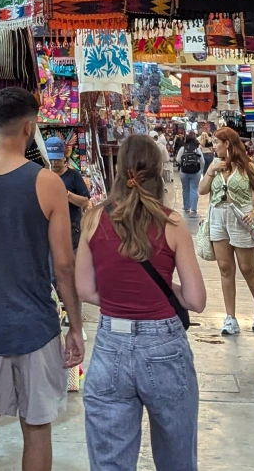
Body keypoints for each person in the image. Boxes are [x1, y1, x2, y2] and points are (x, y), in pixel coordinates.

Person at [0, 87, 85, 471]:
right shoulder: (47, 183)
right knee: (37, 425)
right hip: (35, 327)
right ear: (30, 127)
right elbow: (63, 265)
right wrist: (74, 326)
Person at [76, 134, 206, 471]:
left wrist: (121, 297)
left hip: (109, 347)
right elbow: (196, 300)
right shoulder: (172, 222)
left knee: (110, 461)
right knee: (176, 457)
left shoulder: (92, 218)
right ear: (159, 171)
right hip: (164, 347)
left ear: (118, 170)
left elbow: (84, 289)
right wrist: (167, 289)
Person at [199, 126, 254, 334]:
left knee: (247, 268)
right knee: (225, 267)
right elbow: (202, 190)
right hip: (218, 217)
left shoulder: (248, 166)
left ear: (227, 144)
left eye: (216, 143)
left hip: (241, 218)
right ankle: (230, 317)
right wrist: (211, 172)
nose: (214, 146)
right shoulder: (215, 165)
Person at [45, 135, 91, 249]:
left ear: (64, 157)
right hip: (49, 231)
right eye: (52, 159)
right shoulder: (43, 176)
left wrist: (66, 194)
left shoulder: (73, 176)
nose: (54, 162)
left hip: (72, 231)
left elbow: (85, 202)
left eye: (57, 159)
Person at [176, 133, 204, 216]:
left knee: (185, 189)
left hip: (184, 171)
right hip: (196, 171)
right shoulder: (197, 149)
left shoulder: (182, 149)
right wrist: (201, 169)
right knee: (194, 189)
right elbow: (202, 161)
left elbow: (178, 159)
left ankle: (186, 207)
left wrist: (183, 163)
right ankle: (194, 208)